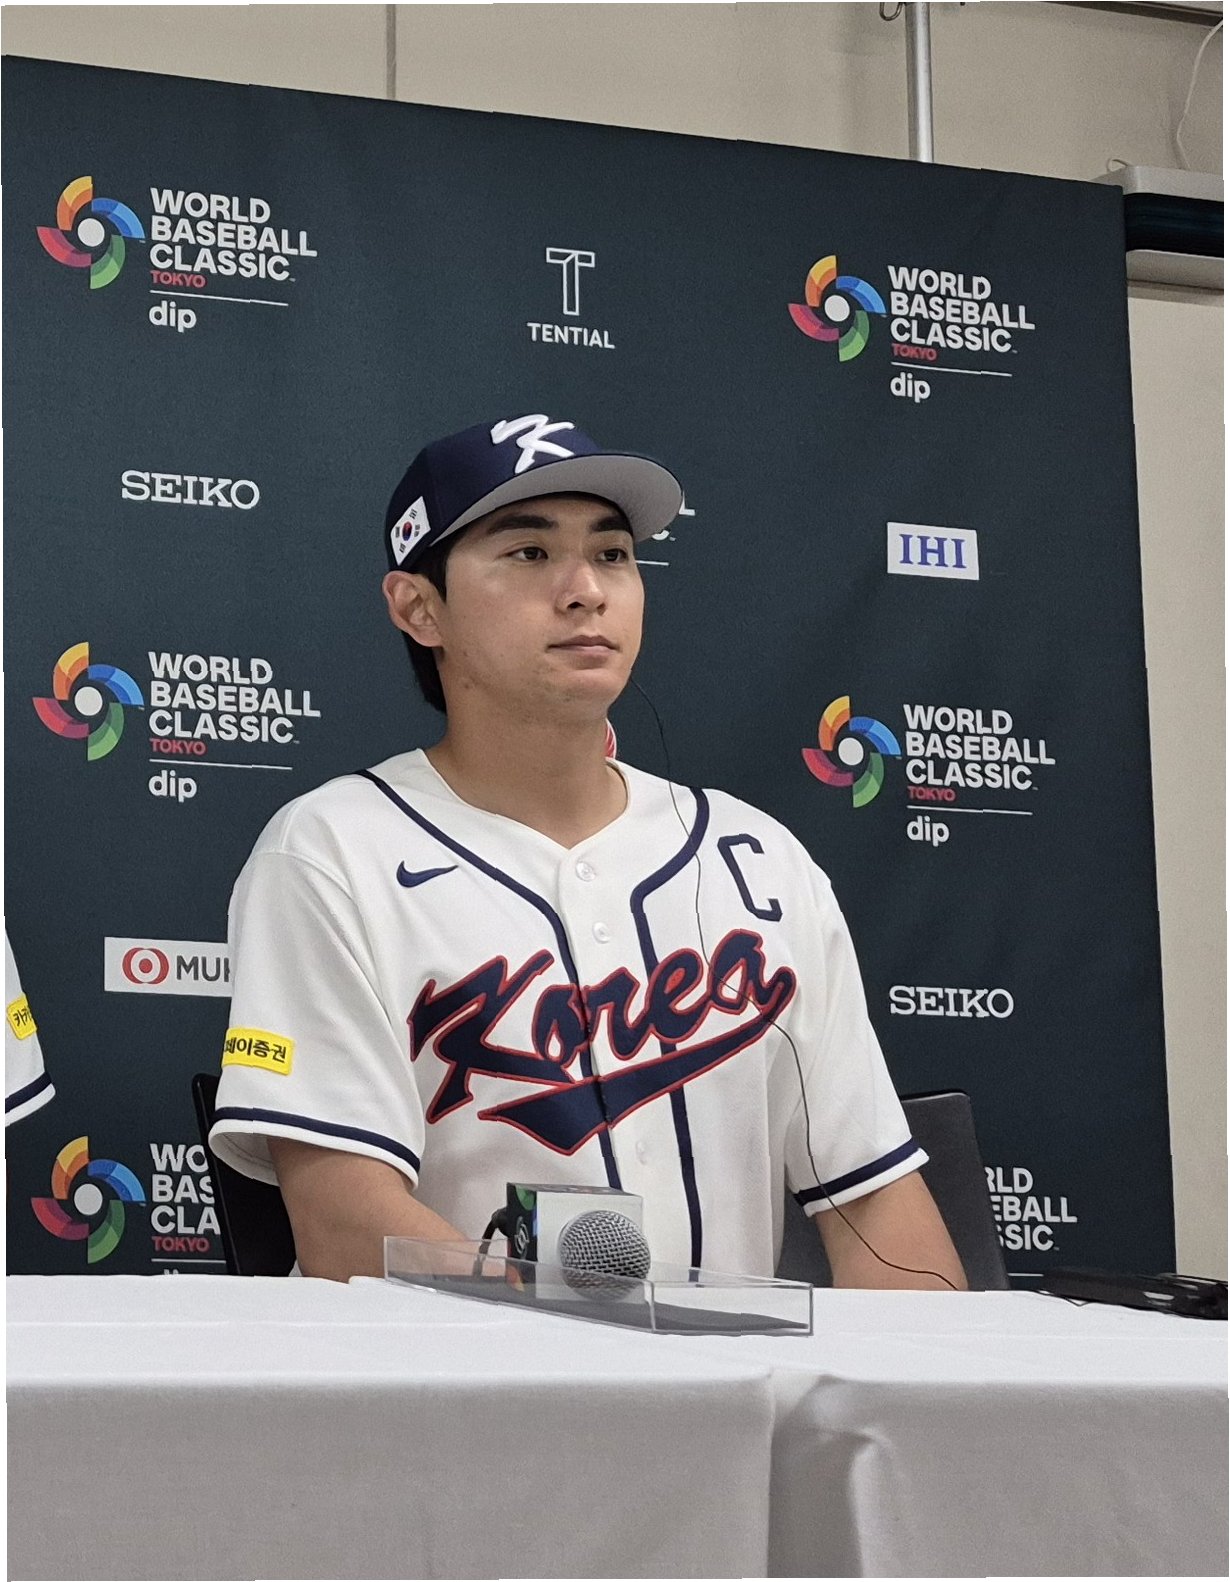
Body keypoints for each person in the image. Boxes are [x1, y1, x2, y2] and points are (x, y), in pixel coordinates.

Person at [208, 413, 966, 1290]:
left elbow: (876, 1201)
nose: (585, 591)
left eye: (612, 554)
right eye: (529, 553)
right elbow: (344, 1225)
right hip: (454, 1374)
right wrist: (615, 1345)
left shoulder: (759, 858)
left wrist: (940, 1375)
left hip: (732, 1375)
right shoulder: (332, 852)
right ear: (419, 608)